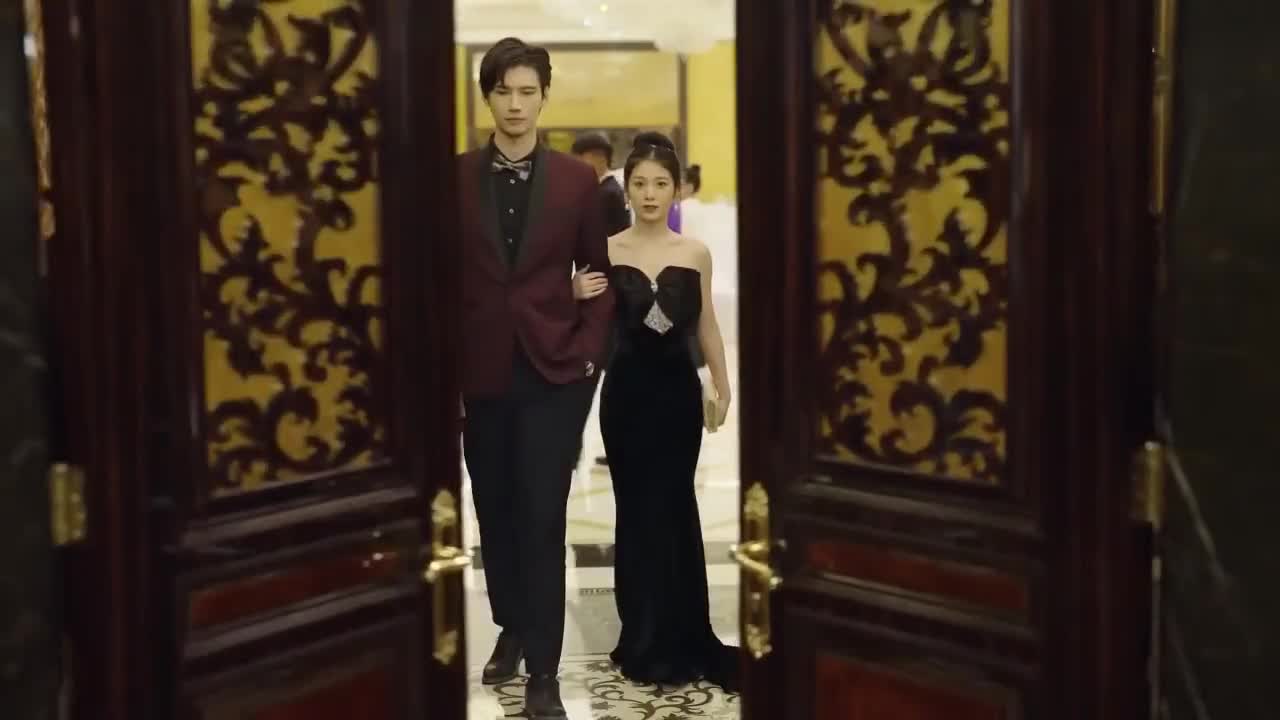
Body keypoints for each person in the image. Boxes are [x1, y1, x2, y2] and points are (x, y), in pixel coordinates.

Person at [458, 37, 614, 719]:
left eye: (527, 92)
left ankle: (545, 671)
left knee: (544, 515)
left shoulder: (578, 183)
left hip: (555, 374)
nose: (515, 104)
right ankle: (513, 627)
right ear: (487, 97)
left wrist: (587, 358)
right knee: (495, 511)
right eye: (503, 92)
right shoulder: (454, 179)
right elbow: (438, 280)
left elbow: (599, 277)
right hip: (482, 371)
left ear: (545, 96)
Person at [572, 132, 738, 691]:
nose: (649, 193)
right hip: (626, 396)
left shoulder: (695, 254)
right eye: (639, 183)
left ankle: (684, 630)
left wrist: (722, 385)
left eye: (660, 184)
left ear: (676, 190)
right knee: (636, 510)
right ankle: (641, 634)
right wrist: (571, 291)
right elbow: (580, 321)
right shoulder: (606, 250)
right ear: (626, 189)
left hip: (677, 397)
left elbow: (707, 324)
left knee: (675, 506)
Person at [570, 132, 631, 471]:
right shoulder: (605, 192)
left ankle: (573, 447)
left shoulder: (605, 194)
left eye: (580, 158)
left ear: (596, 157)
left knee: (590, 376)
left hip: (602, 296)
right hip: (604, 295)